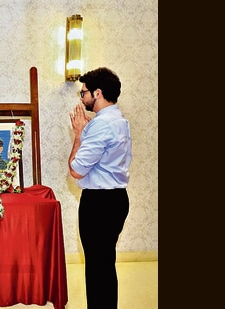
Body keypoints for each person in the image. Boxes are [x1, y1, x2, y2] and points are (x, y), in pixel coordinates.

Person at [68, 67, 132, 309]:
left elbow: (76, 170)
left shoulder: (101, 125)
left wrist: (78, 135)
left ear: (98, 92)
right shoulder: (121, 121)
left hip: (99, 205)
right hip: (118, 200)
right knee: (105, 265)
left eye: (83, 93)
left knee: (97, 268)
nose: (82, 98)